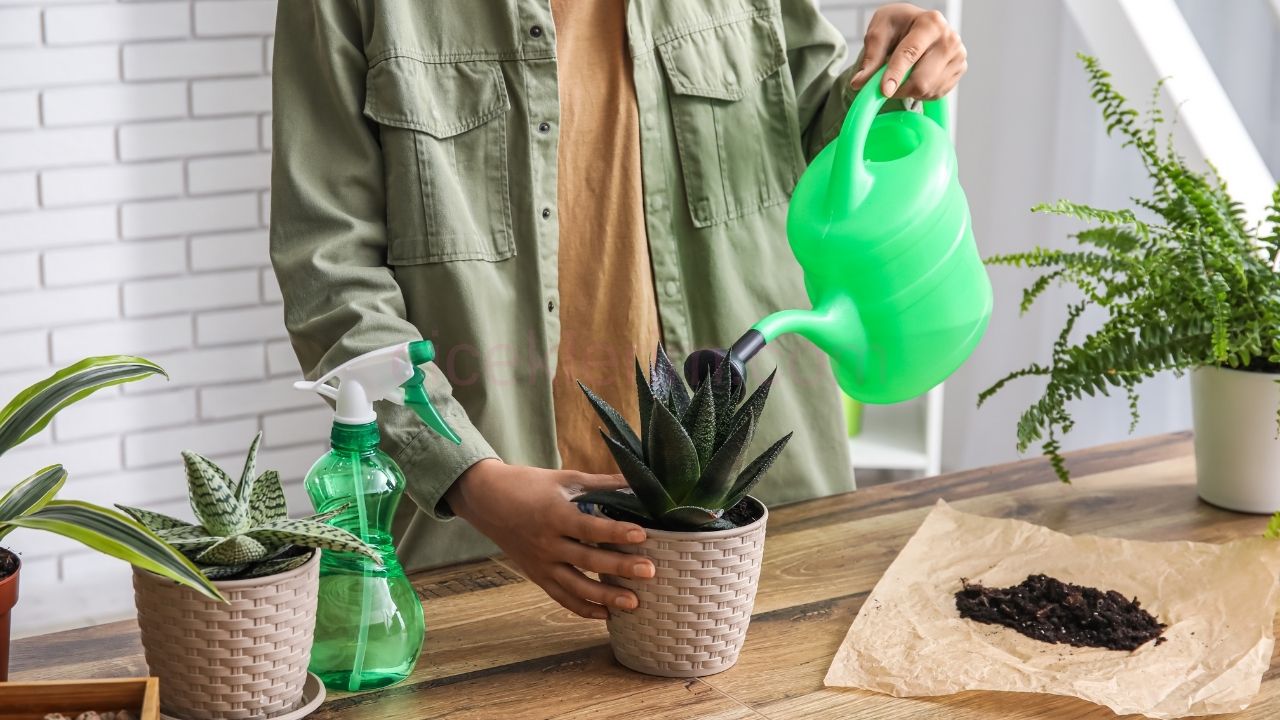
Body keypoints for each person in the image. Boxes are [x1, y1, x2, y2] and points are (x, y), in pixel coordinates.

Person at [271, 1, 966, 621]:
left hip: (763, 531)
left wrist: (898, 84)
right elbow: (329, 276)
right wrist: (470, 481)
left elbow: (824, 142)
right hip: (495, 562)